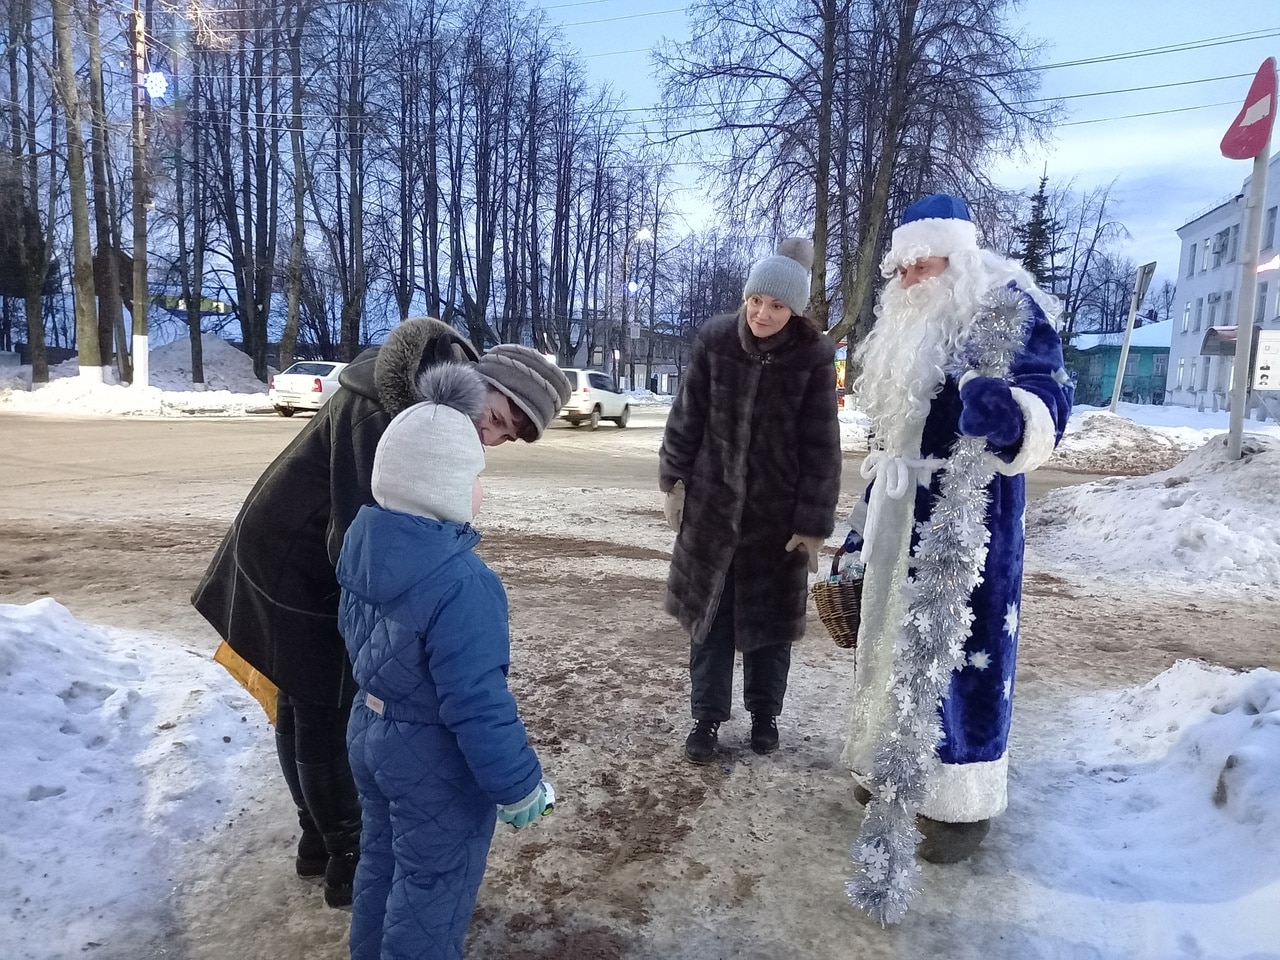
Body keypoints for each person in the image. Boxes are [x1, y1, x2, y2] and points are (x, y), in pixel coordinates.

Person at [191, 318, 569, 908]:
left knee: (304, 703)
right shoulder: (389, 416)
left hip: (298, 553)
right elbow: (367, 538)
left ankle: (320, 842)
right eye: (497, 418)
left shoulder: (413, 404)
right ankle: (345, 854)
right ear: (482, 381)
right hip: (296, 563)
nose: (491, 439)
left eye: (508, 436)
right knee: (321, 707)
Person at [841, 194, 1074, 879]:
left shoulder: (1006, 311)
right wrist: (860, 528)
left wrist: (1013, 416)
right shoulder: (905, 333)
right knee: (887, 644)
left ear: (958, 258)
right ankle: (885, 766)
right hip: (897, 511)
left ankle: (957, 803)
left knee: (959, 661)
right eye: (903, 270)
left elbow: (1051, 395)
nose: (911, 280)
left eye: (924, 265)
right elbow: (891, 437)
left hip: (969, 519)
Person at [339, 361, 551, 960]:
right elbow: (477, 702)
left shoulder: (361, 545)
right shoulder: (464, 584)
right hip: (433, 761)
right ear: (446, 485)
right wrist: (519, 787)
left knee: (381, 864)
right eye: (473, 476)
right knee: (435, 885)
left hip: (369, 733)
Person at [660, 238, 842, 764]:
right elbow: (685, 419)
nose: (763, 313)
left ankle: (766, 715)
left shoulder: (812, 360)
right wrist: (674, 481)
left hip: (776, 519)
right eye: (756, 300)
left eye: (778, 306)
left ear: (795, 310)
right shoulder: (716, 343)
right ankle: (706, 720)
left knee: (769, 628)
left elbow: (821, 449)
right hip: (712, 513)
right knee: (709, 622)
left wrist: (811, 524)